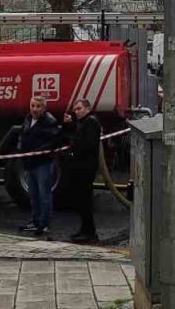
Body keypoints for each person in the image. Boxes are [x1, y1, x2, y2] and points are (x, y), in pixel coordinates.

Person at [17, 95, 60, 237]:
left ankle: (44, 224)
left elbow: (54, 141)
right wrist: (20, 149)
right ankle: (35, 221)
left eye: (38, 106)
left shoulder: (50, 122)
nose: (34, 109)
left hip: (43, 163)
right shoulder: (28, 119)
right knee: (33, 194)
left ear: (44, 108)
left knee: (44, 194)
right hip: (29, 163)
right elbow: (22, 135)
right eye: (32, 106)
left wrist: (37, 152)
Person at [62, 98, 102, 244]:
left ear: (87, 108)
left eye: (79, 109)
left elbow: (88, 144)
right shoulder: (83, 122)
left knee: (84, 200)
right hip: (81, 166)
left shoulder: (90, 122)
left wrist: (73, 153)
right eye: (75, 110)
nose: (77, 112)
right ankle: (84, 230)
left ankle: (89, 232)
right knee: (80, 200)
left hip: (85, 167)